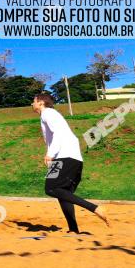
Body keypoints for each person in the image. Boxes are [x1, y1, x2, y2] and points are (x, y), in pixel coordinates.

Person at [32, 93, 109, 233]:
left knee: (51, 189)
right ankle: (73, 230)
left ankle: (95, 208)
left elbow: (58, 133)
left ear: (41, 102)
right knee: (63, 194)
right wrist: (52, 157)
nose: (32, 104)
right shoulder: (51, 114)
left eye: (34, 101)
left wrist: (50, 154)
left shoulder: (47, 113)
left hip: (65, 156)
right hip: (66, 157)